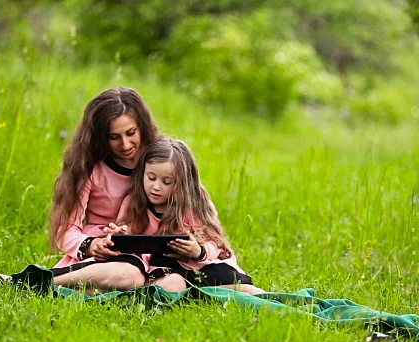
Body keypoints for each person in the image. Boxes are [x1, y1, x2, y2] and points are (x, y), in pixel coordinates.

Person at [114, 137, 264, 294]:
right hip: (160, 269)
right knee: (171, 286)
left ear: (183, 183)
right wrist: (118, 235)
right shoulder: (133, 202)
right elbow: (125, 237)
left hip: (197, 265)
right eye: (151, 178)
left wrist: (198, 251)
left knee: (244, 289)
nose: (156, 187)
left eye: (167, 182)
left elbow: (215, 243)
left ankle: (269, 299)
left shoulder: (195, 205)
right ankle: (192, 294)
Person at [48, 86, 160, 295]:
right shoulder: (89, 168)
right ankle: (38, 281)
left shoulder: (162, 160)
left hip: (151, 250)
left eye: (131, 133)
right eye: (114, 137)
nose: (125, 144)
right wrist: (92, 246)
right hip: (104, 252)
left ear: (142, 127)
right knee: (129, 277)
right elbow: (65, 230)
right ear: (101, 136)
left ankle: (46, 286)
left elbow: (191, 207)